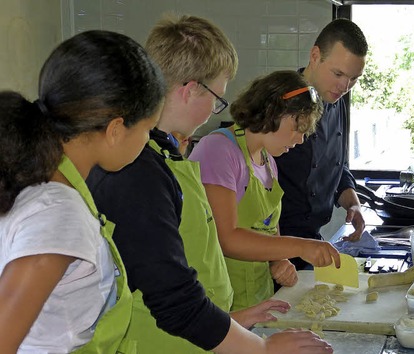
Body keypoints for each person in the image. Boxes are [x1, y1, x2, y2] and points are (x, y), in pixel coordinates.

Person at [87, 15, 333, 354]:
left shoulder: (163, 155)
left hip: (199, 336)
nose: (212, 112)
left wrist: (235, 318)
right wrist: (261, 348)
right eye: (217, 99)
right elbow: (173, 299)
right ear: (190, 91)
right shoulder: (136, 168)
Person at [0, 30, 165, 353]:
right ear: (116, 129)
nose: (148, 141)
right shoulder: (57, 212)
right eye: (147, 129)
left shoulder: (40, 178)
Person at [189, 70, 341, 310]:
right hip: (220, 305)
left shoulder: (268, 162)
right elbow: (227, 238)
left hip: (258, 300)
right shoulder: (219, 150)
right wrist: (302, 246)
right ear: (273, 111)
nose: (300, 140)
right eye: (297, 127)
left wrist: (278, 260)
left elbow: (268, 230)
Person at [274, 18, 369, 270]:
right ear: (315, 56)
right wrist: (275, 256)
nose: (344, 86)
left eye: (353, 79)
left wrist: (353, 204)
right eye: (338, 74)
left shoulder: (337, 103)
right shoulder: (280, 102)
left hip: (311, 242)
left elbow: (336, 166)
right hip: (272, 249)